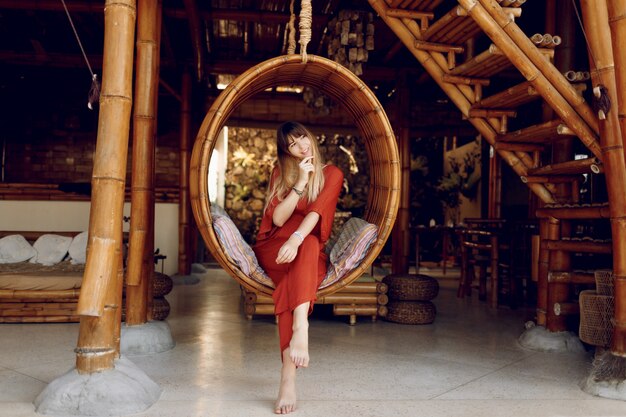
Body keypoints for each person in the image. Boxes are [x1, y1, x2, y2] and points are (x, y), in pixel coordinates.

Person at [253, 121, 343, 414]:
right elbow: (278, 219)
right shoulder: (281, 173)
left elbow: (317, 215)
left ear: (310, 137)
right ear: (287, 151)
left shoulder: (332, 173)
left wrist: (296, 238)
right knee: (304, 254)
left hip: (304, 246)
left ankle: (288, 375)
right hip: (275, 247)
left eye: (302, 137)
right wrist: (300, 182)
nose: (301, 145)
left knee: (307, 248)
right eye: (292, 144)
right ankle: (301, 329)